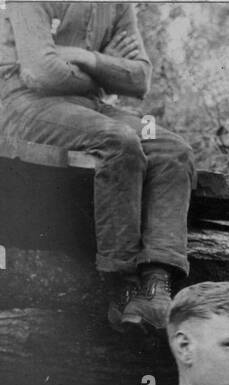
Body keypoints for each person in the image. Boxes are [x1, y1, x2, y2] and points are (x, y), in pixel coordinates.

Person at [0, 2, 193, 330]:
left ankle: (156, 282)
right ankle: (123, 285)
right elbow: (39, 72)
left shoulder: (116, 4)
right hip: (22, 105)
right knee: (118, 140)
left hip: (89, 107)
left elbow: (139, 79)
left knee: (173, 149)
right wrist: (106, 74)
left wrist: (87, 58)